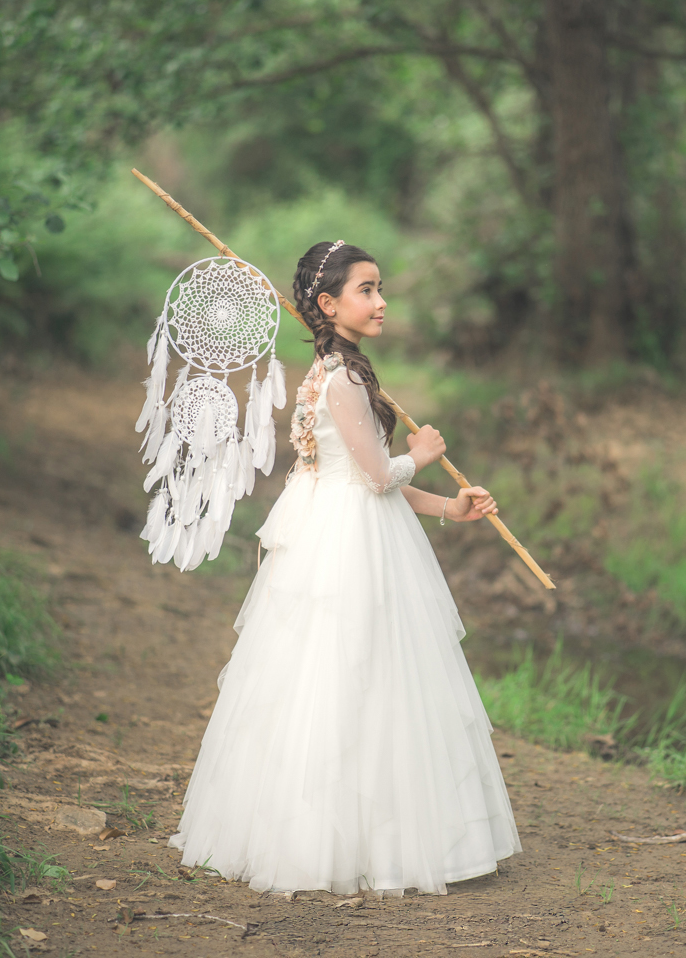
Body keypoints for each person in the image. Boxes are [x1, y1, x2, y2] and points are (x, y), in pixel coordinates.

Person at [168, 240, 522, 897]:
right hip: (353, 546)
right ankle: (362, 843)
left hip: (343, 526)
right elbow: (381, 475)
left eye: (381, 288)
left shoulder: (326, 374)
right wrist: (421, 451)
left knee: (350, 680)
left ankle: (345, 835)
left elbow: (364, 482)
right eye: (367, 290)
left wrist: (452, 505)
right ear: (328, 304)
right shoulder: (347, 379)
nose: (382, 301)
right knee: (362, 678)